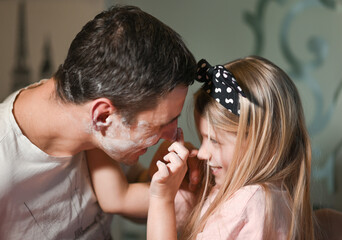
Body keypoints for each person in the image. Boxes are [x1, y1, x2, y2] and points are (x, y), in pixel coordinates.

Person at [0, 5, 198, 239]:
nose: (171, 134)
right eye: (161, 123)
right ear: (103, 116)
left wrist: (171, 183)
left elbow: (126, 193)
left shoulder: (96, 126)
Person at [148, 56, 318, 239]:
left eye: (214, 141)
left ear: (265, 142)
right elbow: (121, 200)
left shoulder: (247, 202)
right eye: (202, 139)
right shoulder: (273, 198)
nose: (202, 153)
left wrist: (162, 200)